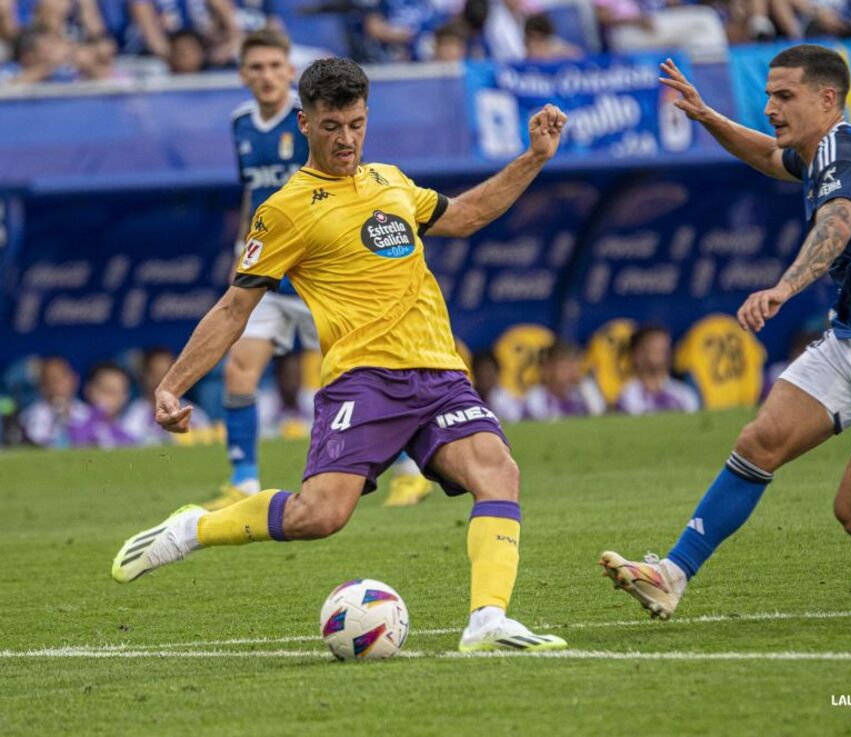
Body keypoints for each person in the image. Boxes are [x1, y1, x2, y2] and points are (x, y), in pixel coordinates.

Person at [110, 57, 570, 654]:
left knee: (498, 471)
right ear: (304, 122)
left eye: (355, 124)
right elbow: (233, 308)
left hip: (438, 374)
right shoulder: (285, 210)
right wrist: (173, 385)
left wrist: (533, 157)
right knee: (319, 516)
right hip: (363, 381)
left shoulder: (392, 182)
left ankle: (487, 621)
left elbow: (469, 215)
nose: (346, 139)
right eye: (331, 126)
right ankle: (193, 527)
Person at [601, 46, 851, 620]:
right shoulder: (816, 152)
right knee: (759, 442)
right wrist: (708, 117)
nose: (770, 106)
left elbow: (836, 224)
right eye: (769, 94)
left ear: (828, 99)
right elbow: (769, 158)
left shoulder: (844, 156)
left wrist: (782, 289)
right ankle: (672, 574)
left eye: (784, 96)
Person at [201, 28, 313, 511]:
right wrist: (241, 246)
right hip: (266, 272)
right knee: (240, 370)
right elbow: (254, 194)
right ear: (243, 74)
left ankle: (413, 470)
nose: (267, 76)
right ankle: (244, 480)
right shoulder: (241, 124)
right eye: (257, 67)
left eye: (275, 66)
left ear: (290, 71)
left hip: (318, 273)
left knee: (370, 371)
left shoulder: (311, 121)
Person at [617, 325, 700, 415]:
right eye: (655, 350)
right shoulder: (626, 394)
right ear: (638, 354)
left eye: (664, 349)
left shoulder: (684, 394)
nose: (662, 355)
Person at [523, 341, 604, 421]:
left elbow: (599, 416)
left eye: (575, 366)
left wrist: (585, 382)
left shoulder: (579, 393)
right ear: (549, 368)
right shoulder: (536, 395)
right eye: (565, 367)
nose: (571, 372)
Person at [19, 356, 89, 448]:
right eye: (51, 380)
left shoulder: (87, 412)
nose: (57, 385)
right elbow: (37, 440)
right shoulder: (32, 415)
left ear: (74, 379)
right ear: (42, 386)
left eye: (62, 378)